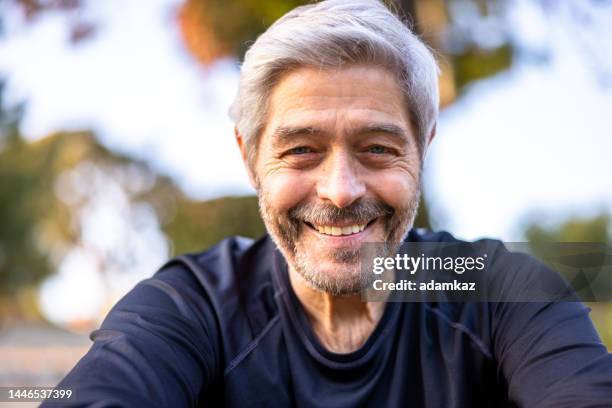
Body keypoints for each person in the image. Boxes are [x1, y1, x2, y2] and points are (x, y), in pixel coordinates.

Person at [43, 0, 612, 406]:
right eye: (301, 150)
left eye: (378, 148)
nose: (341, 190)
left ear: (423, 149)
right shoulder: (191, 307)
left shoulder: (500, 291)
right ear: (249, 158)